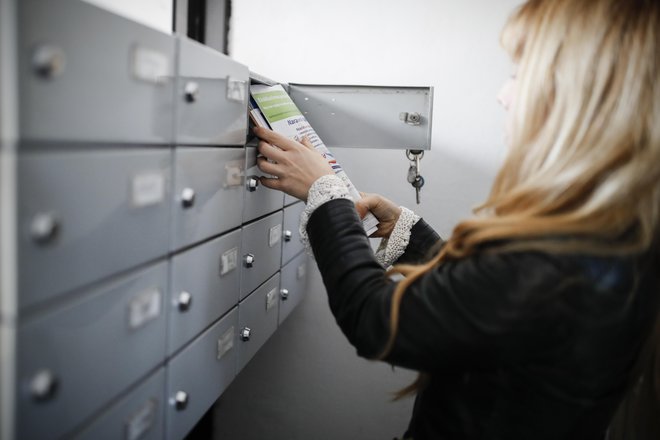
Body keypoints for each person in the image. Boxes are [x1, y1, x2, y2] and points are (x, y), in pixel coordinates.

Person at [253, 0, 660, 438]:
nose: (503, 96)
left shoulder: (559, 254)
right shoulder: (607, 235)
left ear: (576, 95)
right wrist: (412, 235)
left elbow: (377, 321)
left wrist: (326, 193)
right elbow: (496, 307)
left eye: (519, 75)